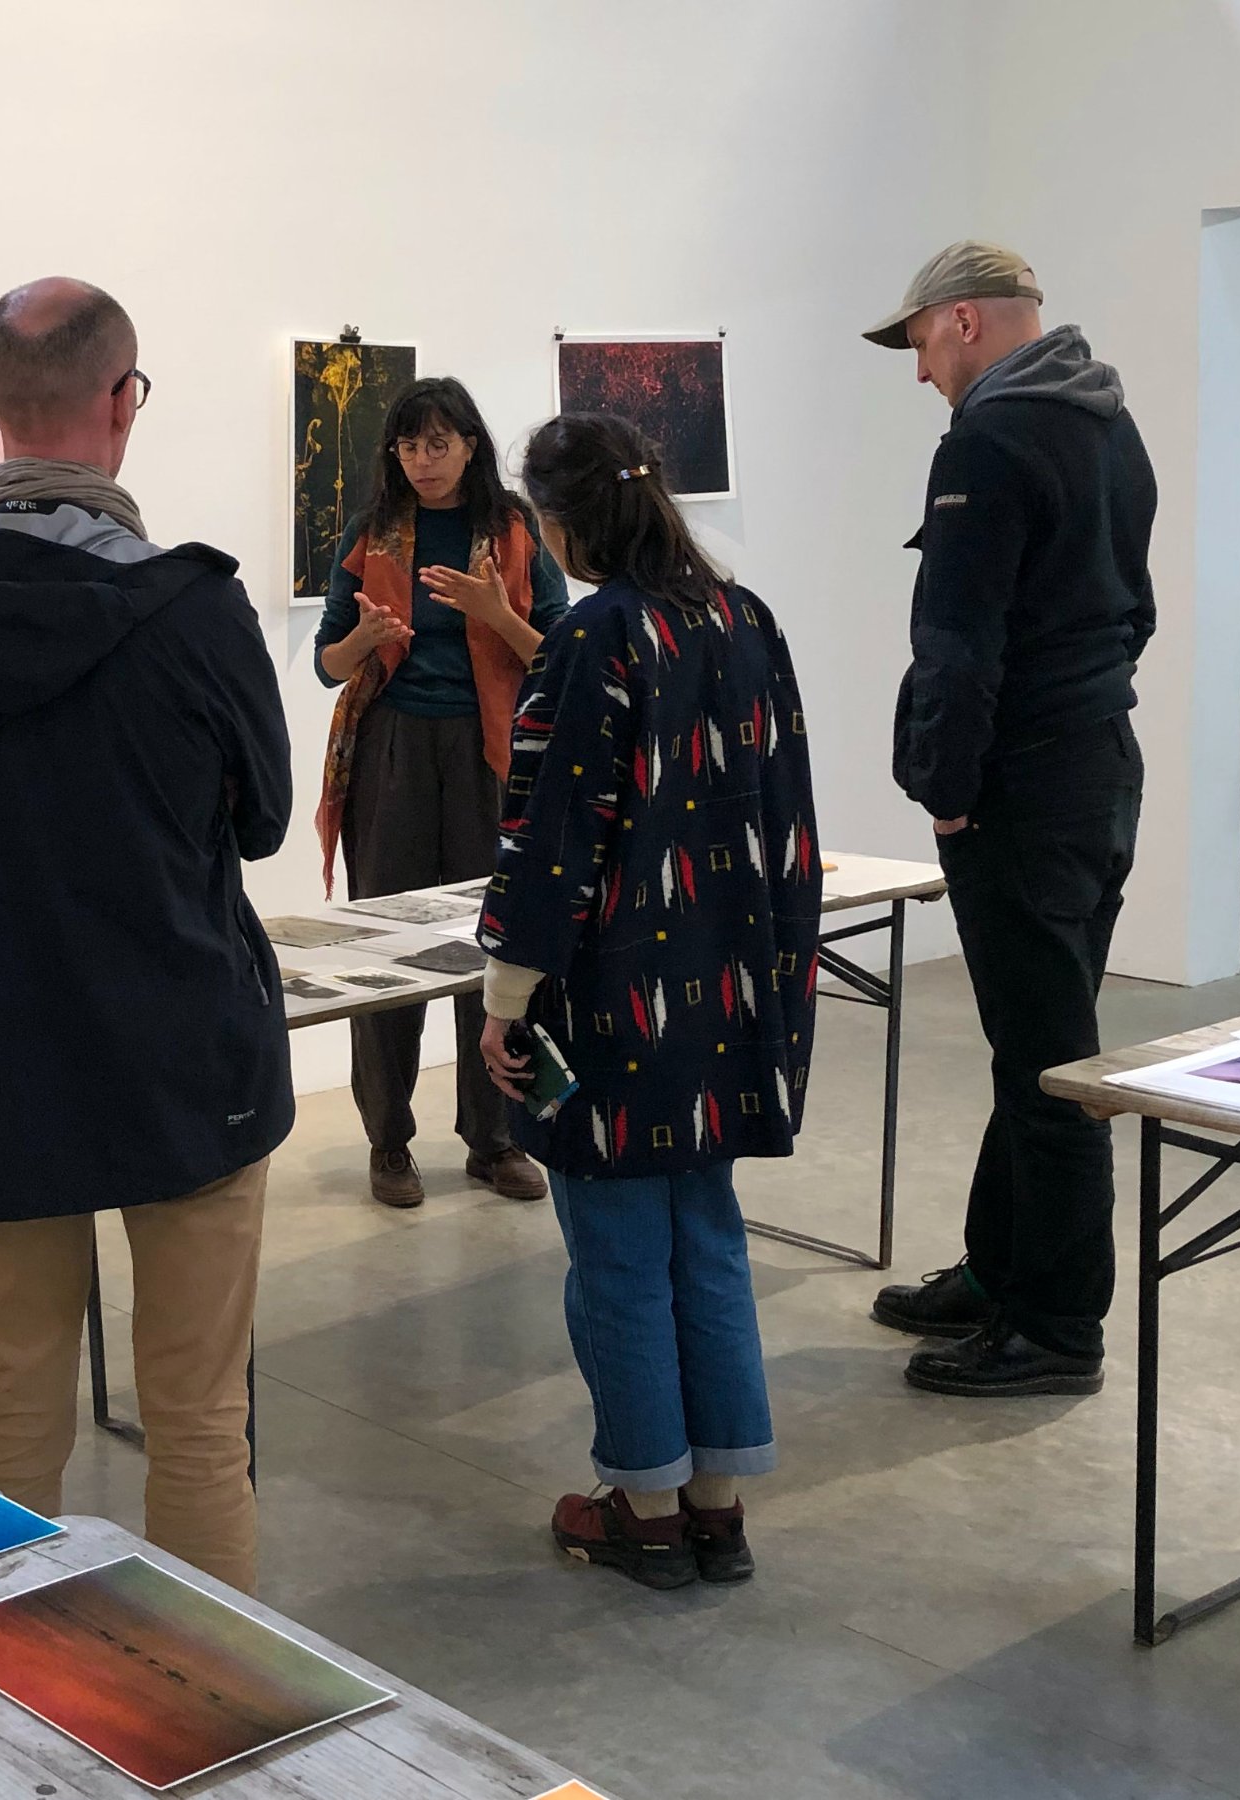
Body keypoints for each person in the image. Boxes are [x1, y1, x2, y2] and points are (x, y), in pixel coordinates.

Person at [0, 279, 290, 1593]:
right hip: (185, 1051)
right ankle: (211, 1719)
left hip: (3, 1047)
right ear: (121, 404)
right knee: (199, 1416)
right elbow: (262, 822)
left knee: (11, 1404)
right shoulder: (196, 610)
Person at [476, 413, 820, 1591]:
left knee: (618, 1257)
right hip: (728, 992)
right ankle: (719, 1504)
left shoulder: (594, 638)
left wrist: (505, 998)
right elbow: (787, 821)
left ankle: (646, 1506)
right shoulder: (745, 619)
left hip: (619, 1004)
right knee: (708, 1242)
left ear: (562, 523)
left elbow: (549, 838)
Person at [862, 241, 1155, 1398]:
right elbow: (1131, 614)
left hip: (1023, 794)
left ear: (968, 323)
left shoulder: (989, 438)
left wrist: (948, 786)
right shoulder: (1106, 423)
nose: (921, 369)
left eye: (923, 342)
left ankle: (1059, 1327)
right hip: (1095, 771)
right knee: (1036, 1043)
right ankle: (1000, 1271)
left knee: (1051, 1066)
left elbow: (959, 642)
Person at [313, 377, 570, 1209]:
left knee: (491, 942)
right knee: (385, 949)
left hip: (492, 754)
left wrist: (497, 614)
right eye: (409, 445)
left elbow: (560, 661)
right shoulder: (372, 533)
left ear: (470, 444)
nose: (424, 460)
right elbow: (328, 665)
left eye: (439, 443)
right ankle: (389, 1143)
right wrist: (365, 636)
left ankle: (494, 1138)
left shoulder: (515, 530)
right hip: (390, 749)